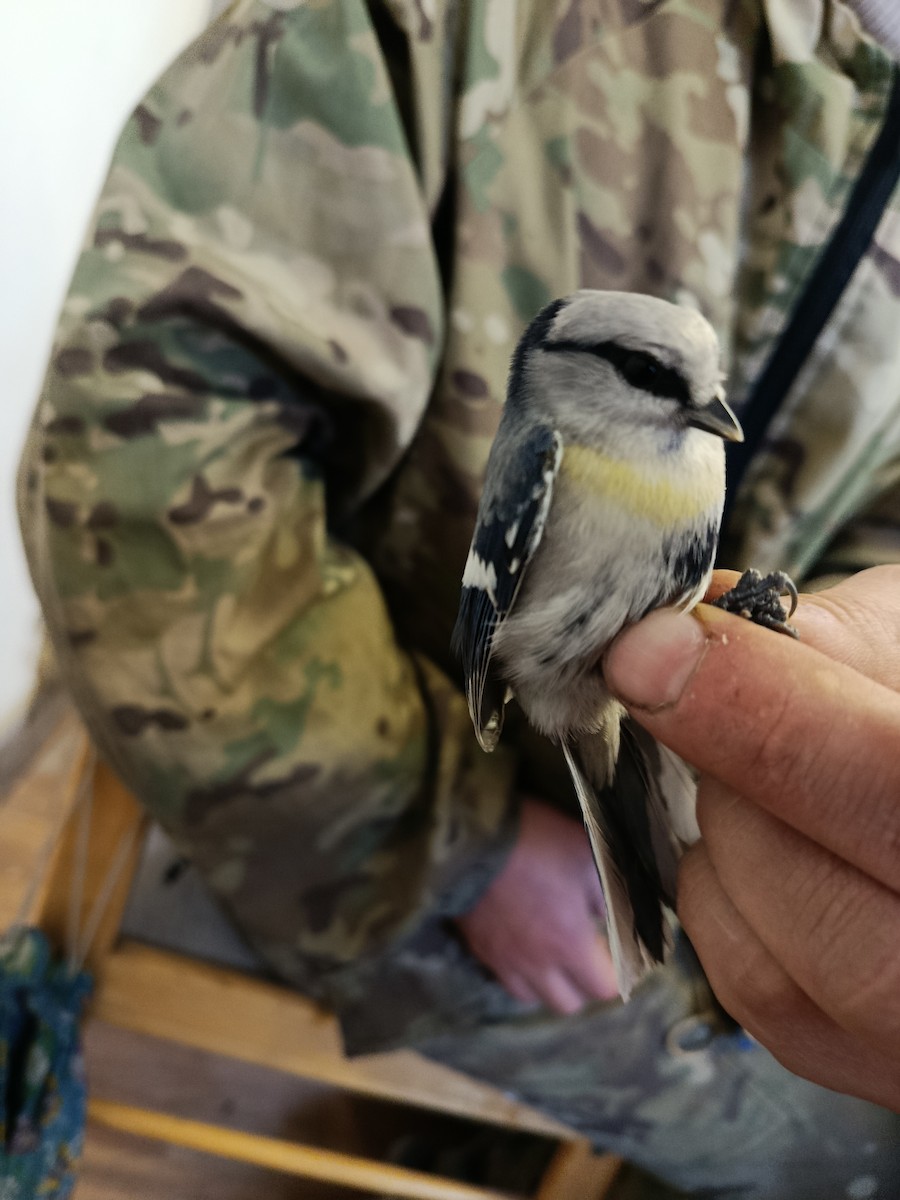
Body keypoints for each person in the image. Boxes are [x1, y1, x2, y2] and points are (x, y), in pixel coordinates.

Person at [17, 0, 900, 1194]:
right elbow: (138, 477)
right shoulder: (444, 27)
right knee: (845, 1164)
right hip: (352, 830)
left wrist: (831, 699)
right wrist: (459, 848)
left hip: (688, 847)